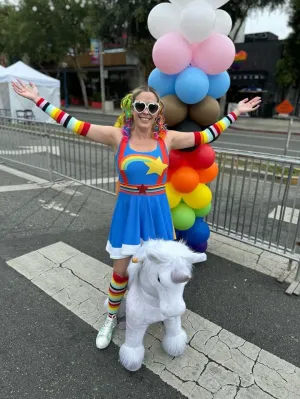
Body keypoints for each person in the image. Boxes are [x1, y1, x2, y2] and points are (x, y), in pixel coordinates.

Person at [12, 79, 261, 349]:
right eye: (140, 105)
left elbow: (206, 136)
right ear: (131, 108)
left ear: (158, 112)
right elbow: (74, 124)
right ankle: (110, 317)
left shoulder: (169, 139)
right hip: (128, 213)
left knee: (163, 269)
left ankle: (166, 316)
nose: (145, 110)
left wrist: (235, 112)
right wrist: (38, 99)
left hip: (158, 213)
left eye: (151, 106)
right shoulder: (118, 136)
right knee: (121, 272)